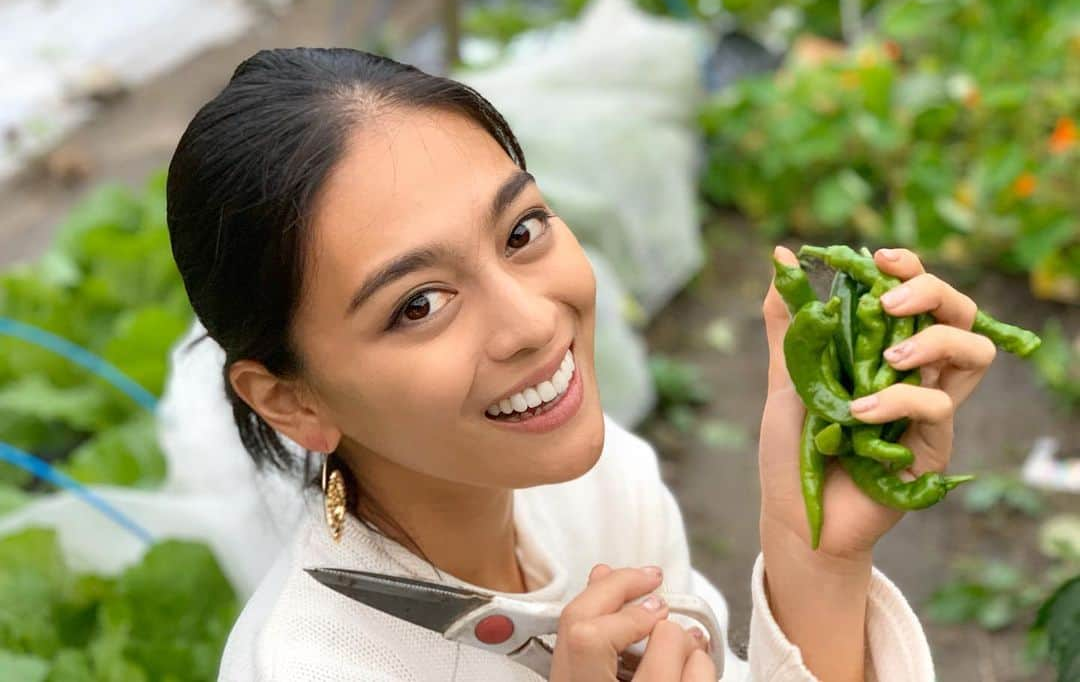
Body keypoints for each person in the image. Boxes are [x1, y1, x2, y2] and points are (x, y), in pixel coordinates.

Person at [165, 47, 997, 681]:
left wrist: (815, 557)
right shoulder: (313, 664)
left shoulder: (606, 489)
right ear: (290, 401)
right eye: (418, 304)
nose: (532, 321)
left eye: (521, 232)